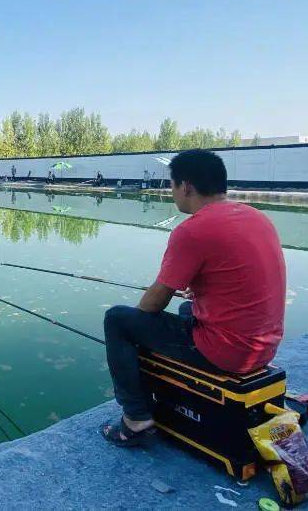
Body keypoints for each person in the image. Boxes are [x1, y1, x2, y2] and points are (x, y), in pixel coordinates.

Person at [100, 149, 286, 446]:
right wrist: (202, 288)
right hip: (265, 348)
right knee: (189, 307)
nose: (172, 193)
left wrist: (138, 328)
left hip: (229, 353)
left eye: (172, 186)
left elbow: (153, 304)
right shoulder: (256, 217)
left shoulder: (193, 230)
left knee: (119, 320)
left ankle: (136, 418)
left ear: (185, 186)